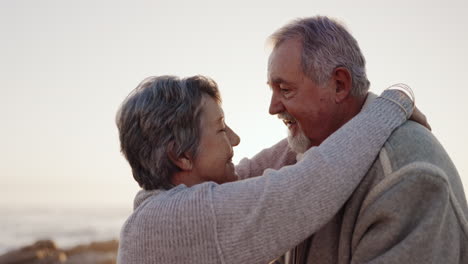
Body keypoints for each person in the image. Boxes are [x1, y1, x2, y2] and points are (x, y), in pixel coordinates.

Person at [115, 75, 416, 264]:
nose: (235, 139)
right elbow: (308, 187)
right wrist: (394, 103)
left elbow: (258, 171)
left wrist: (331, 120)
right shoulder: (175, 221)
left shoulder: (167, 210)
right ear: (181, 156)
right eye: (220, 130)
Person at [257, 16, 468, 263]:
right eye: (272, 89)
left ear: (339, 84)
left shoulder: (408, 176)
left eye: (285, 89)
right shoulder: (302, 152)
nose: (272, 108)